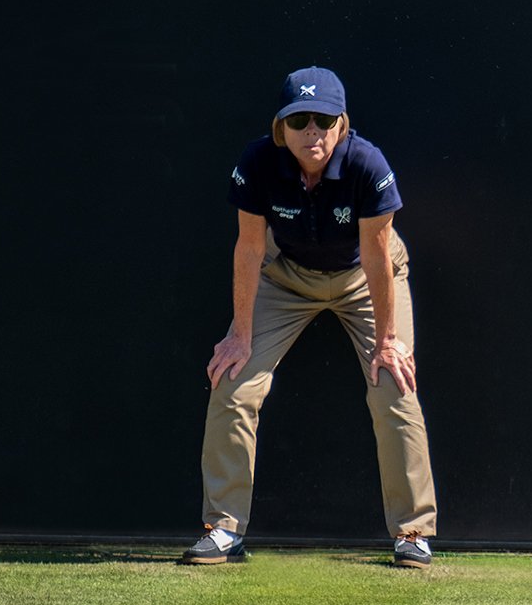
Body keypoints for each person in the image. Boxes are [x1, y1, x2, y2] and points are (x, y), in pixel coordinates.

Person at [183, 66, 439, 569]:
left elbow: (377, 255)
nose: (312, 132)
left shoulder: (368, 165)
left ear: (342, 124)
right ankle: (224, 528)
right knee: (232, 382)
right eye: (298, 120)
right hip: (286, 276)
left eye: (323, 119)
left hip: (366, 278)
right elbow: (250, 246)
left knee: (393, 381)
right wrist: (239, 333)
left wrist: (388, 340)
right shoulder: (258, 162)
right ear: (281, 128)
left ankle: (413, 531)